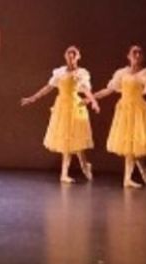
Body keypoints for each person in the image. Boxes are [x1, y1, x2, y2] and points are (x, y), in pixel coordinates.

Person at [90, 44, 146, 188]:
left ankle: (129, 178)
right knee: (130, 146)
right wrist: (92, 98)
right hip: (124, 110)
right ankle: (143, 171)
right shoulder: (122, 73)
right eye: (134, 53)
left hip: (137, 111)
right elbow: (109, 90)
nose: (137, 55)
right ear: (129, 56)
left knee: (133, 145)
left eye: (139, 53)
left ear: (142, 57)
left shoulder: (145, 74)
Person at [20, 45, 99, 183]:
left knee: (76, 140)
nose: (71, 58)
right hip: (62, 107)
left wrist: (93, 102)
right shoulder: (59, 72)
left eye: (74, 56)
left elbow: (86, 90)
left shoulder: (81, 73)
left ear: (78, 57)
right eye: (69, 55)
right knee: (67, 141)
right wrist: (32, 98)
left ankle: (81, 166)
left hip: (74, 106)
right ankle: (68, 172)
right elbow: (48, 87)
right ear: (65, 56)